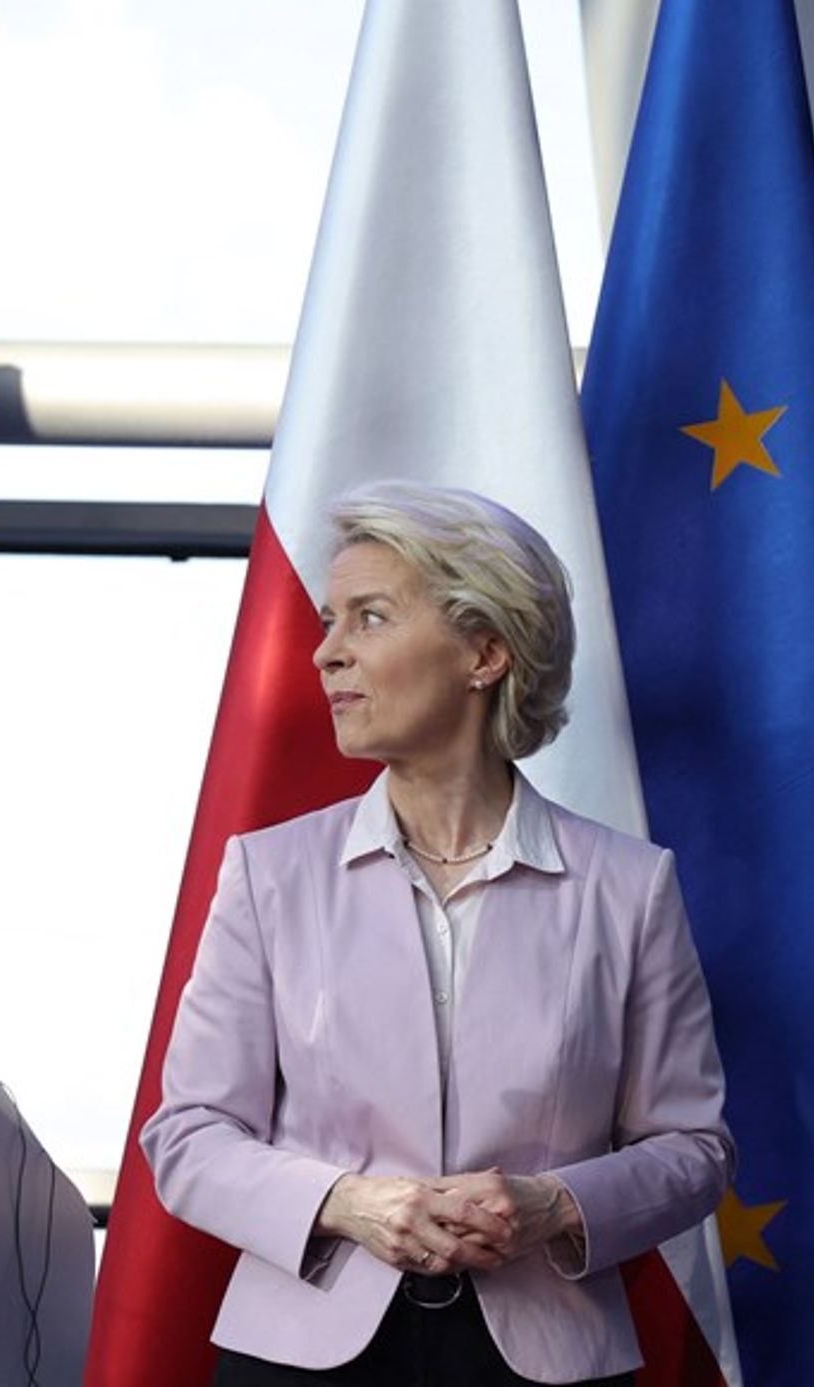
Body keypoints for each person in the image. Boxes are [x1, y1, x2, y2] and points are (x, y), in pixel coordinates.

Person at [141, 483, 732, 1385]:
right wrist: (345, 1201)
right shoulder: (271, 873)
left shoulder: (629, 886)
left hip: (549, 1362)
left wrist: (554, 1202)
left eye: (368, 618)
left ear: (485, 652)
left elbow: (694, 1148)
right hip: (301, 1360)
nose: (327, 652)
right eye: (330, 621)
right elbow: (187, 1135)